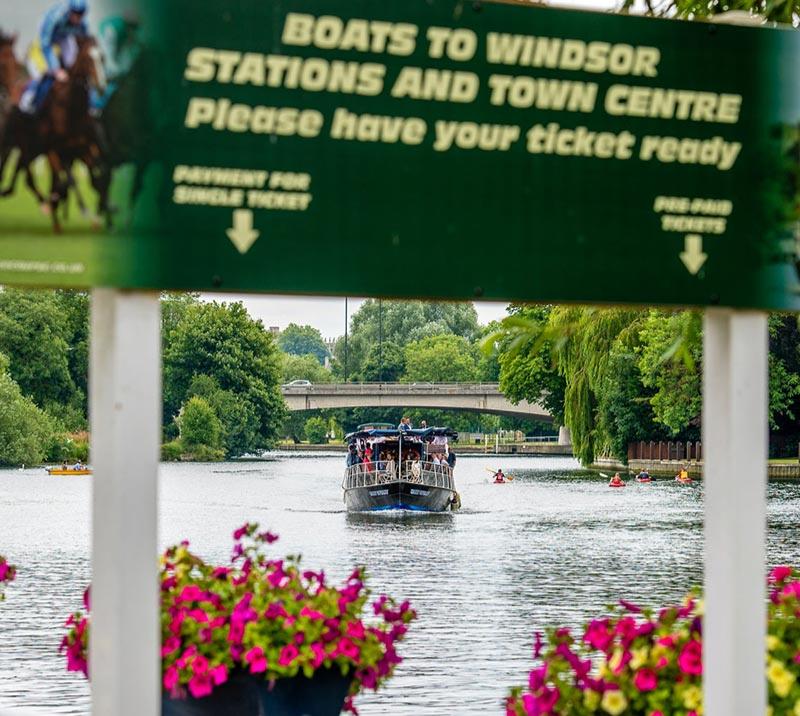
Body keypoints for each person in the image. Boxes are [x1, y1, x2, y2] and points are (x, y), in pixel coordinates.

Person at [20, 0, 90, 114]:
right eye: (75, 13)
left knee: (72, 60)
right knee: (41, 73)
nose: (77, 18)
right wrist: (56, 70)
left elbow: (85, 44)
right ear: (69, 11)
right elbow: (46, 44)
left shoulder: (83, 24)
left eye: (81, 14)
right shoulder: (55, 18)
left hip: (62, 38)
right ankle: (27, 102)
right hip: (44, 42)